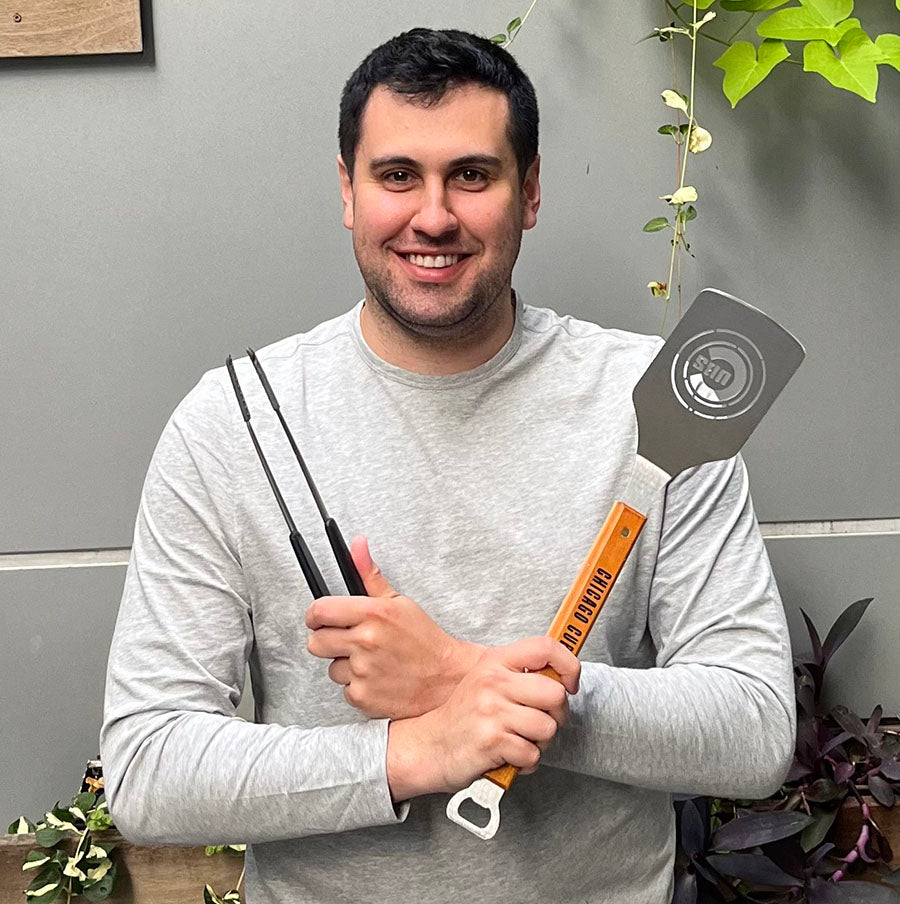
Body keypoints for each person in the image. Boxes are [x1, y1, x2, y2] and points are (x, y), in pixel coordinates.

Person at [100, 27, 796, 904]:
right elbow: (149, 767)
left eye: (471, 174)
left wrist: (457, 673)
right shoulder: (233, 425)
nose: (432, 216)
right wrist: (417, 750)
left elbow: (752, 729)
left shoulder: (648, 400)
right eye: (397, 176)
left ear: (529, 191)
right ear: (347, 190)